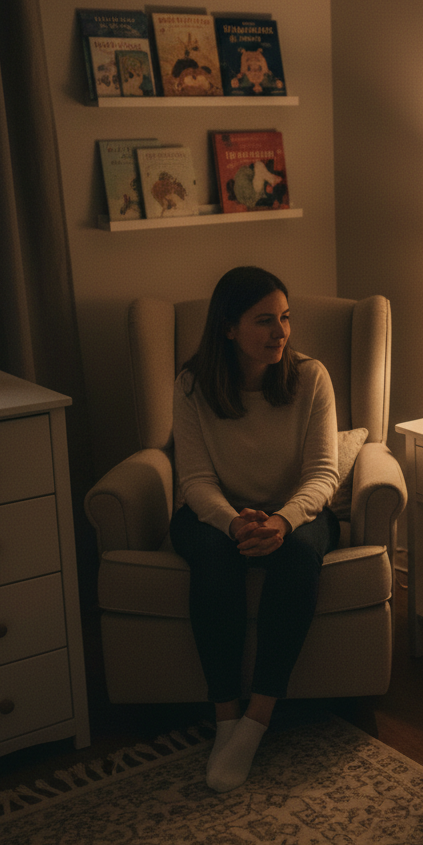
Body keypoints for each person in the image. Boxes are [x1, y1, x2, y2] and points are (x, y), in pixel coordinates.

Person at [170, 266, 340, 791]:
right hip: (217, 514)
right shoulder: (194, 383)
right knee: (214, 563)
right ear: (228, 327)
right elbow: (195, 479)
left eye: (286, 318)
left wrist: (284, 521)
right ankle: (225, 716)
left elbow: (324, 473)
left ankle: (255, 721)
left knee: (297, 561)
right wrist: (233, 521)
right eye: (265, 320)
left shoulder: (311, 377)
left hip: (297, 513)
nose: (281, 332)